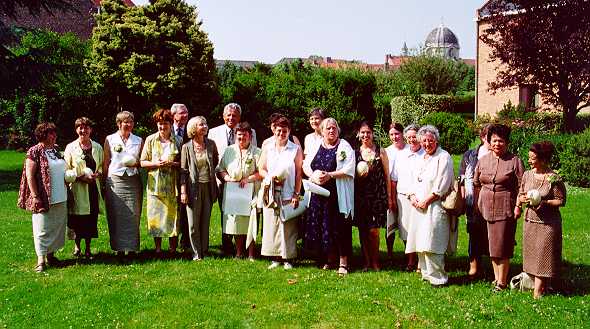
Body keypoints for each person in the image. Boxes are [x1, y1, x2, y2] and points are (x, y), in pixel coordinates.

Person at [474, 124, 524, 291]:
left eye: (501, 141)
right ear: (489, 141)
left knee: (502, 244)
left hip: (505, 207)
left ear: (507, 143)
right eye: (494, 140)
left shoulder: (514, 161)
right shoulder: (483, 160)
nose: (497, 144)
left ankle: (502, 282)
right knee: (492, 245)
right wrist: (479, 202)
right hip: (486, 208)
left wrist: (518, 206)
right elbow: (476, 182)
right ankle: (497, 279)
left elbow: (522, 187)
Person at [303, 117, 354, 275]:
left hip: (336, 194)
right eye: (328, 128)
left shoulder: (344, 146)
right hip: (319, 194)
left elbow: (349, 168)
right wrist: (313, 176)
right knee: (323, 226)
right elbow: (305, 165)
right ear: (322, 131)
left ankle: (343, 262)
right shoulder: (316, 145)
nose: (331, 131)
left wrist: (330, 175)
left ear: (338, 130)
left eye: (334, 128)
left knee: (339, 227)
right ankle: (328, 258)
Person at [405, 125, 454, 287]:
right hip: (418, 207)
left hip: (434, 206)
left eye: (430, 140)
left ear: (436, 140)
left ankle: (438, 278)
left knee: (433, 240)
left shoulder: (443, 157)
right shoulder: (420, 158)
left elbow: (443, 183)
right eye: (424, 141)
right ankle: (426, 274)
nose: (427, 144)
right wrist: (412, 197)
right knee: (421, 240)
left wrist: (426, 200)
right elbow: (412, 181)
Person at [518, 141, 566, 299]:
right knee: (532, 255)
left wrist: (544, 203)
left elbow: (561, 200)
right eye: (529, 157)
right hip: (530, 222)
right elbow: (521, 193)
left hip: (548, 224)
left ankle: (537, 292)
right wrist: (522, 199)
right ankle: (541, 286)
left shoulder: (553, 178)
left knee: (543, 255)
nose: (529, 161)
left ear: (544, 159)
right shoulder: (527, 175)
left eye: (533, 158)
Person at [208, 103, 257, 255]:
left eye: (234, 115)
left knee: (245, 215)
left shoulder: (251, 132)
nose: (231, 118)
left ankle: (245, 248)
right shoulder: (213, 132)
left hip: (247, 185)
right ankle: (227, 245)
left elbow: (255, 157)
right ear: (223, 116)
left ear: (239, 117)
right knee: (227, 214)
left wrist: (248, 178)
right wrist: (225, 177)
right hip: (225, 181)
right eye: (228, 115)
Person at [18, 122, 68, 272]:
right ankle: (41, 260)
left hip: (60, 194)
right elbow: (29, 176)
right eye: (50, 133)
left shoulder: (56, 149)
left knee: (56, 227)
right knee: (42, 227)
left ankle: (51, 256)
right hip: (44, 195)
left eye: (54, 133)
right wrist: (35, 196)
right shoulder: (34, 151)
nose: (54, 136)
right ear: (42, 135)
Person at [259, 116, 303, 270]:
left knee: (288, 225)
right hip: (271, 191)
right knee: (272, 224)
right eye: (279, 131)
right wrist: (271, 178)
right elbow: (261, 169)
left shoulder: (295, 149)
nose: (281, 134)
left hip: (288, 192)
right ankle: (275, 257)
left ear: (289, 131)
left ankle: (288, 258)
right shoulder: (268, 147)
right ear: (274, 130)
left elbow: (298, 173)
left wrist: (296, 194)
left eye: (285, 131)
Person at [216, 122, 262, 259]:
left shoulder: (257, 152)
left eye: (245, 136)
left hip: (250, 191)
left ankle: (251, 254)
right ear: (236, 136)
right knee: (236, 222)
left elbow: (262, 172)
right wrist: (228, 178)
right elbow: (220, 169)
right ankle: (239, 252)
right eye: (239, 136)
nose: (242, 139)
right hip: (233, 192)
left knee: (250, 221)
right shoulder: (229, 150)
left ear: (250, 136)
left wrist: (248, 179)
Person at [140, 109, 181, 256]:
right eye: (159, 124)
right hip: (154, 185)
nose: (162, 127)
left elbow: (183, 163)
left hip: (172, 185)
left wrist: (171, 163)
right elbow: (142, 162)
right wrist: (156, 164)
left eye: (165, 123)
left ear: (171, 124)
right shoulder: (150, 140)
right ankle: (157, 248)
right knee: (155, 216)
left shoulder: (178, 140)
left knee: (173, 216)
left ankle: (172, 249)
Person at [103, 111, 143, 257]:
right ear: (119, 123)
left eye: (131, 122)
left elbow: (142, 161)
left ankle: (131, 249)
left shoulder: (138, 140)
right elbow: (106, 162)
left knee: (133, 214)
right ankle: (119, 249)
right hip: (115, 180)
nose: (129, 124)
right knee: (116, 215)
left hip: (133, 180)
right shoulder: (110, 139)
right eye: (126, 122)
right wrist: (104, 182)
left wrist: (135, 163)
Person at [353, 121, 392, 271]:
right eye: (362, 132)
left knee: (374, 231)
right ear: (358, 134)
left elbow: (387, 175)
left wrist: (389, 197)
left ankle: (376, 261)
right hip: (361, 197)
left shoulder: (380, 152)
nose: (365, 135)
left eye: (368, 132)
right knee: (363, 230)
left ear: (372, 134)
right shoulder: (355, 152)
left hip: (377, 196)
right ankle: (366, 262)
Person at [64, 117, 103, 259]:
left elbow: (101, 166)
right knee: (77, 218)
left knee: (91, 218)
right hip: (77, 188)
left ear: (90, 130)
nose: (83, 130)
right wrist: (80, 177)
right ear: (76, 130)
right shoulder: (70, 147)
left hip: (92, 187)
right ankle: (77, 246)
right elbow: (66, 169)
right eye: (80, 127)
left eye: (86, 128)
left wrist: (97, 174)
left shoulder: (97, 147)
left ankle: (88, 248)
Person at [180, 116, 219, 261]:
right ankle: (196, 252)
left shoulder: (211, 144)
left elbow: (214, 161)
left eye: (205, 124)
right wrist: (183, 191)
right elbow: (183, 172)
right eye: (201, 124)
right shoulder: (186, 147)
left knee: (205, 220)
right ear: (193, 129)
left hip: (208, 187)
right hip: (192, 188)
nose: (205, 126)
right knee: (193, 223)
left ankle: (204, 250)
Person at [459, 124, 491, 278]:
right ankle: (474, 265)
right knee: (474, 232)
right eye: (489, 137)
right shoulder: (470, 154)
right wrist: (464, 196)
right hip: (473, 199)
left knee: (491, 233)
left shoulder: (499, 155)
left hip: (492, 200)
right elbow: (462, 177)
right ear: (483, 137)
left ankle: (493, 266)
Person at [391, 124, 423, 271]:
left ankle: (420, 261)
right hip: (403, 196)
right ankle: (410, 259)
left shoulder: (425, 154)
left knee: (420, 229)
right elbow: (394, 179)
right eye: (409, 137)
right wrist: (392, 198)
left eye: (414, 136)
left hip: (420, 197)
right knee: (406, 230)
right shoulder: (401, 155)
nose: (411, 139)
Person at [170, 103, 191, 252]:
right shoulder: (165, 129)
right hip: (170, 176)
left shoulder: (191, 131)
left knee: (186, 208)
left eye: (186, 113)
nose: (185, 116)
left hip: (188, 176)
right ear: (173, 115)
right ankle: (172, 241)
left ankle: (186, 241)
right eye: (181, 113)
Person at [384, 122, 404, 262]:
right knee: (389, 223)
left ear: (402, 134)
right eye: (391, 134)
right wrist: (390, 197)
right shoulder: (387, 151)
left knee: (406, 223)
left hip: (404, 190)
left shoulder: (409, 149)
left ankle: (409, 253)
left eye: (397, 133)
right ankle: (389, 253)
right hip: (390, 189)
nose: (394, 137)